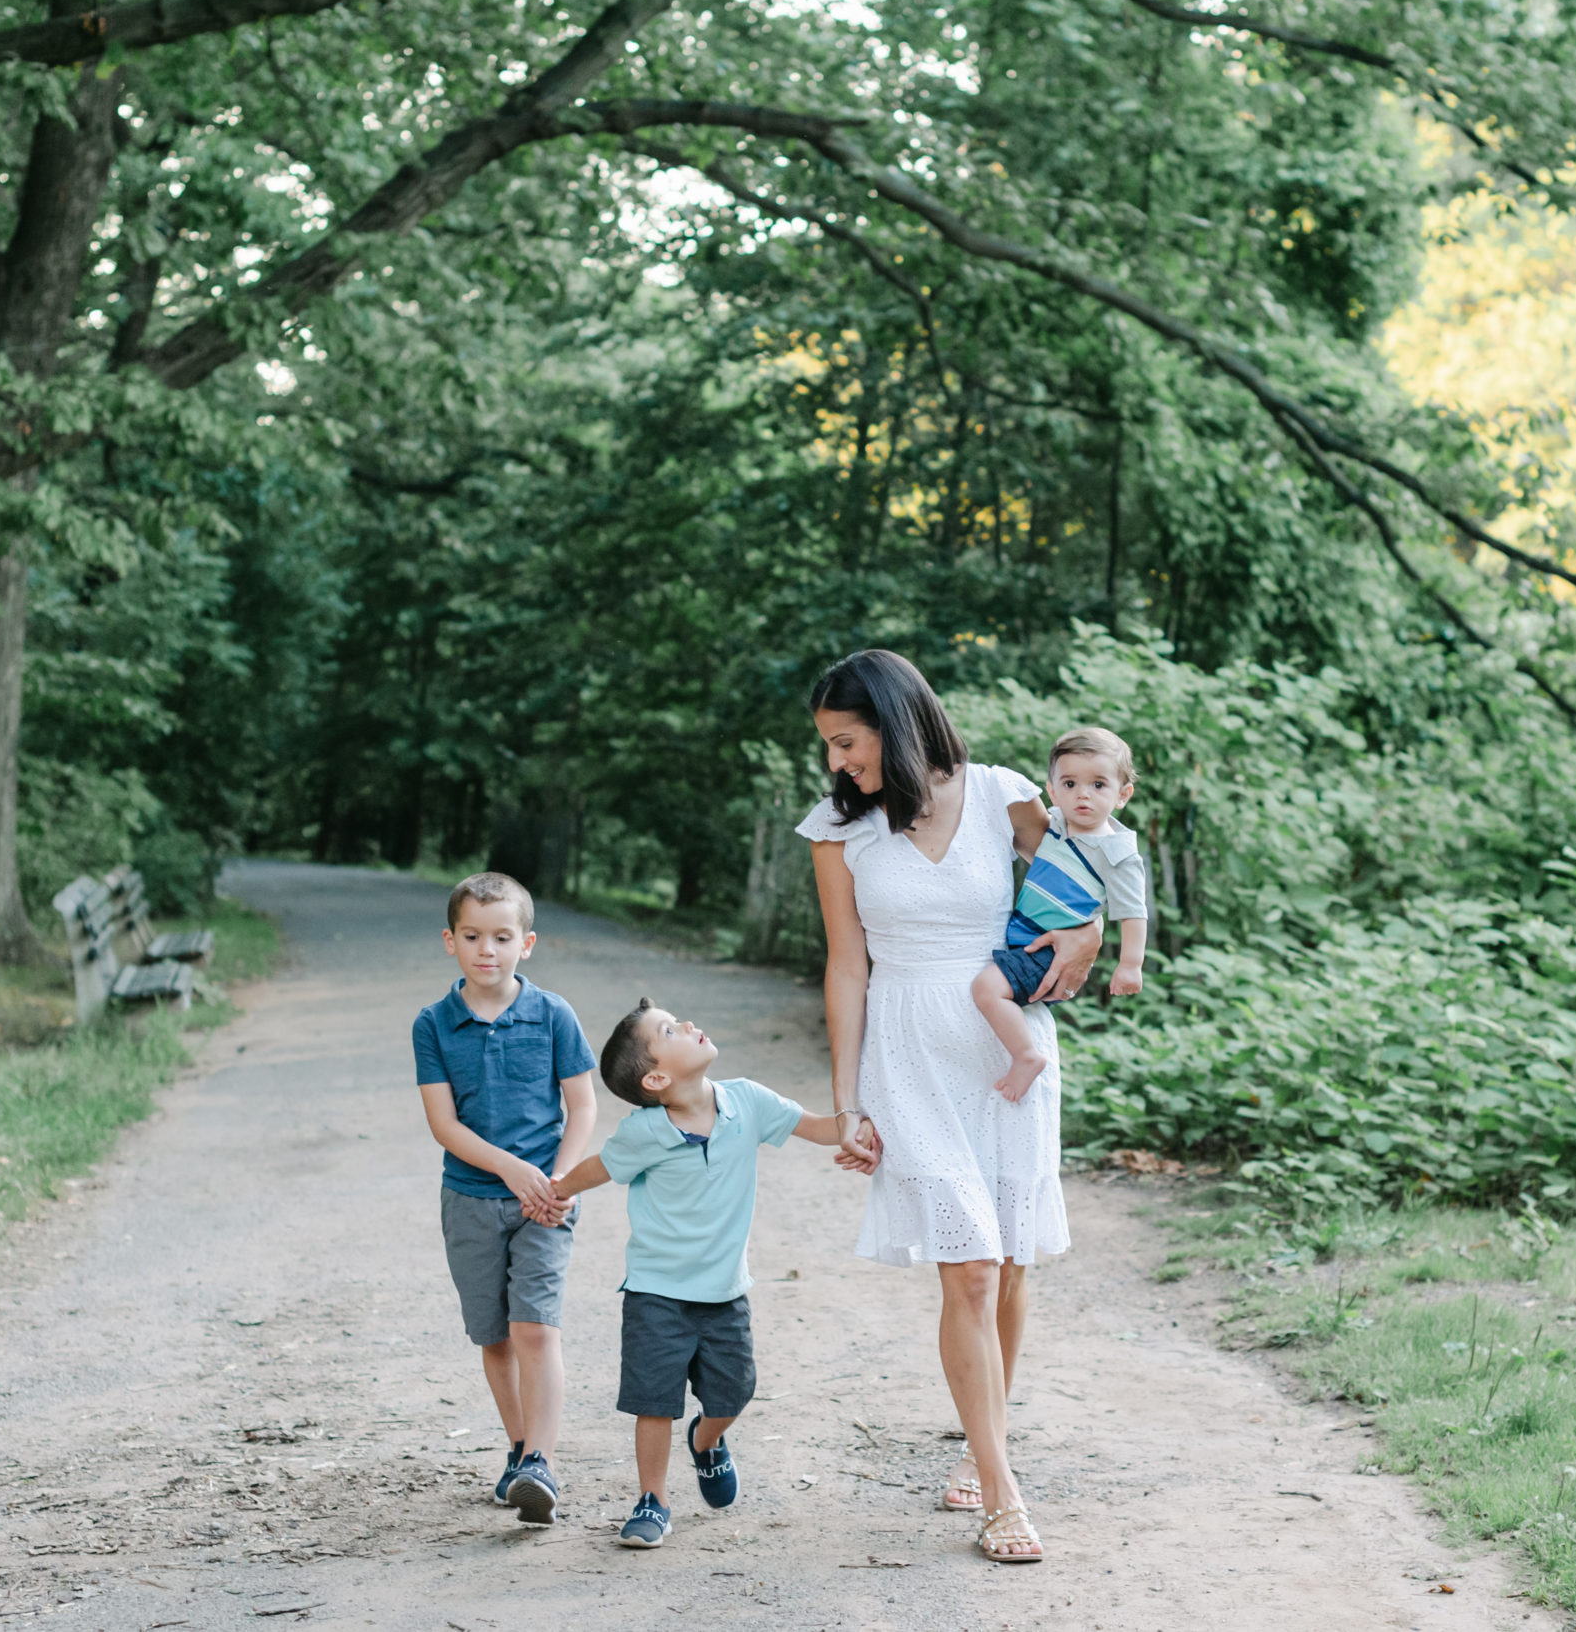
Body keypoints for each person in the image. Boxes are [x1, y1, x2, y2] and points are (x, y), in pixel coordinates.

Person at [796, 649, 1103, 1564]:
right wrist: (847, 1101)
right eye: (829, 746)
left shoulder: (1007, 793)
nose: (836, 762)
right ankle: (1003, 1495)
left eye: (847, 741)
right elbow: (846, 964)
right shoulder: (836, 828)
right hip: (906, 1046)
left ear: (894, 720)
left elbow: (1086, 882)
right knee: (966, 1264)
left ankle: (983, 1447)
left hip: (1001, 1039)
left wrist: (1087, 936)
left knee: (1008, 1264)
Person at [550, 999, 857, 1548]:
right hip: (655, 1292)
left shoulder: (748, 1101)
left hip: (724, 1291)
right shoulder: (644, 1132)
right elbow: (601, 1167)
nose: (690, 1025)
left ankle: (707, 1442)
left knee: (734, 1393)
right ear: (658, 1077)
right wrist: (556, 1193)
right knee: (653, 1401)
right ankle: (653, 1500)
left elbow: (816, 1127)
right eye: (670, 1029)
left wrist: (859, 1131)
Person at [411, 872, 599, 1527]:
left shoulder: (553, 1014)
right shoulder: (434, 1024)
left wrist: (560, 1180)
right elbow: (445, 1124)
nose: (486, 949)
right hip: (469, 1199)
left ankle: (541, 1462)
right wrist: (511, 1168)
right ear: (450, 940)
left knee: (536, 1329)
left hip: (545, 1203)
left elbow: (582, 1104)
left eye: (501, 936)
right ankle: (520, 1450)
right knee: (494, 1337)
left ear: (527, 942)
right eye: (472, 936)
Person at [971, 727, 1149, 1103]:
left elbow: (1133, 913)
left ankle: (1026, 1057)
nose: (1082, 794)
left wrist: (1130, 964)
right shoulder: (1056, 826)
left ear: (1123, 795)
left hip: (1049, 950)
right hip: (1026, 935)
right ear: (1052, 791)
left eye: (1099, 784)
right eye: (1069, 783)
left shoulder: (1117, 855)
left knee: (986, 989)